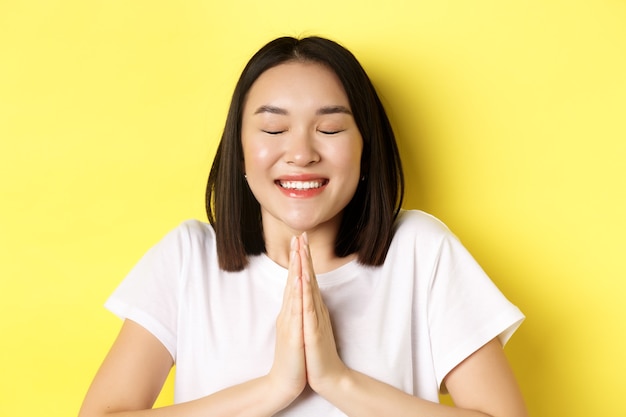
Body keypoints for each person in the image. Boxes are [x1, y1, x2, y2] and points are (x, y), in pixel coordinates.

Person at [78, 36, 527, 417]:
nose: (301, 153)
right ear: (239, 152)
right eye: (273, 130)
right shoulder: (188, 259)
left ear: (366, 151)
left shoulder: (420, 251)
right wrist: (275, 387)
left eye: (329, 129)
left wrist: (337, 381)